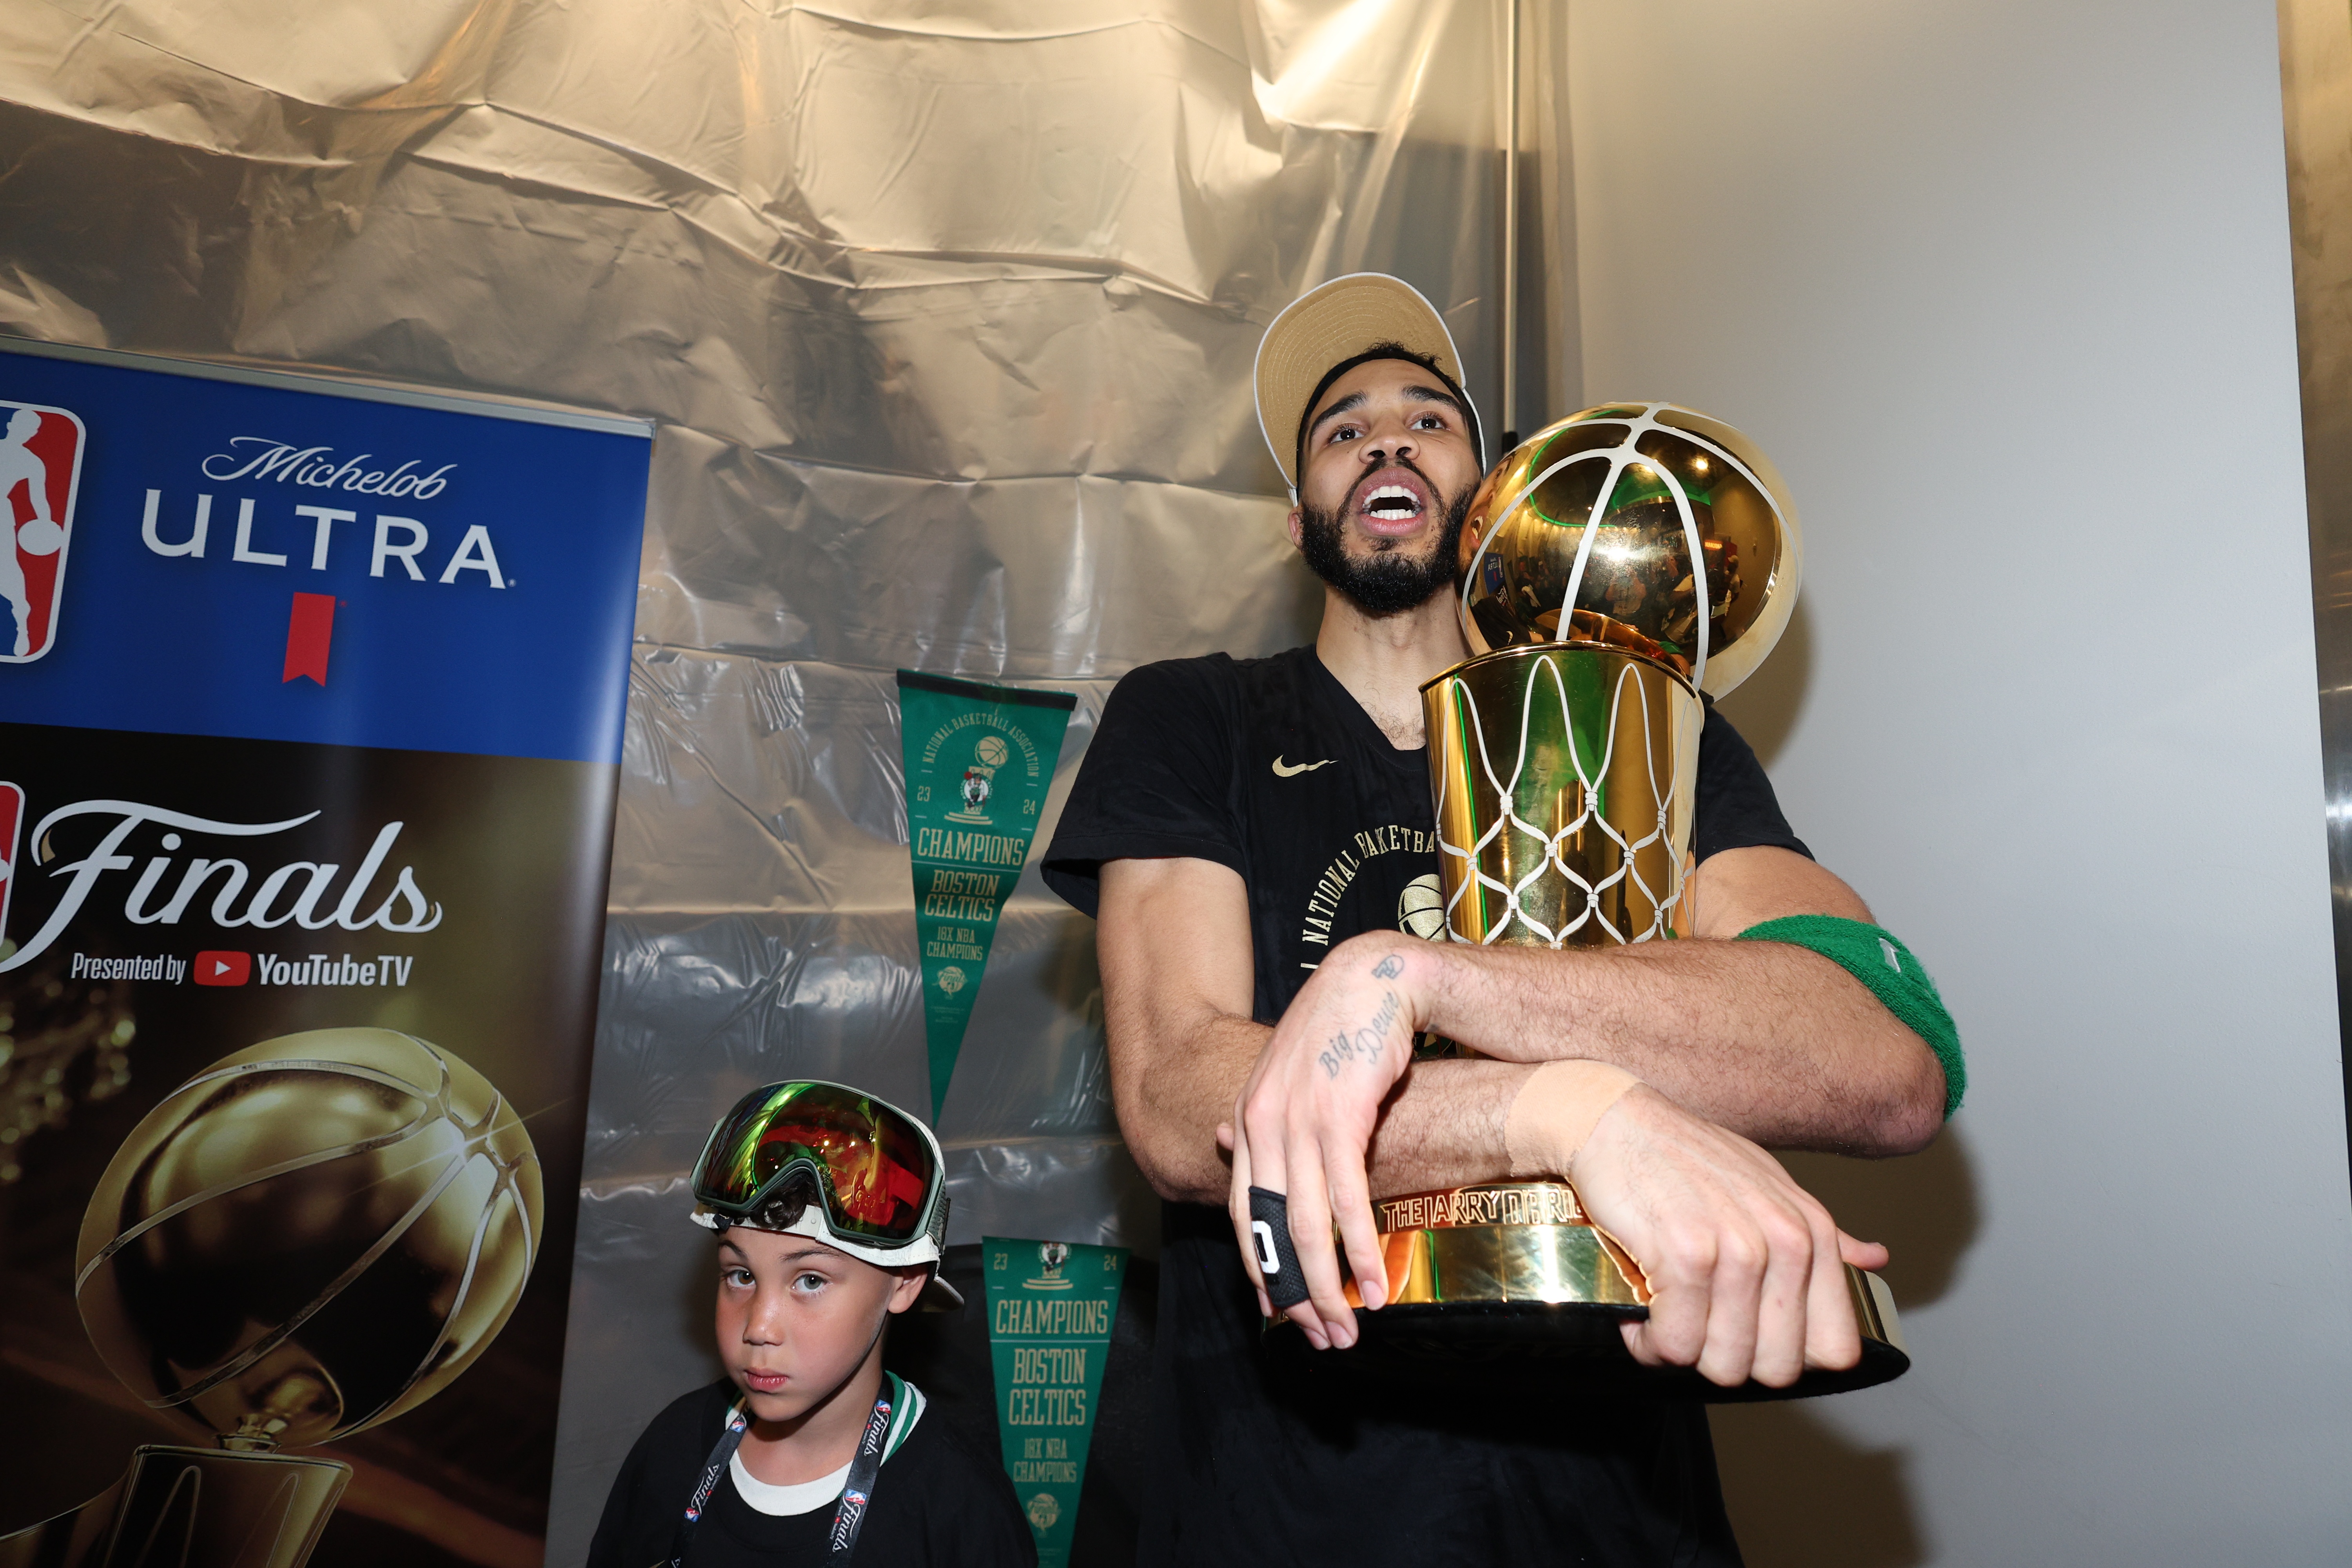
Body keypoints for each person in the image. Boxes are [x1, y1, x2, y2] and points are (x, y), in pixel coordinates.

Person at [1039, 273, 1962, 1564]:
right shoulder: (1197, 716)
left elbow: (1881, 1053)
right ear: (1295, 518)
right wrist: (1567, 1111)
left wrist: (1421, 980)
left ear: (1493, 498)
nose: (1386, 441)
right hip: (1291, 1511)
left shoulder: (1651, 722)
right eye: (1343, 430)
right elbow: (1181, 1094)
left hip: (1620, 1519)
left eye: (1430, 419)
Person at [587, 1080, 1034, 1567]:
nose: (759, 1327)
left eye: (811, 1280)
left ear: (904, 1283)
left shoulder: (960, 1512)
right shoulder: (671, 1448)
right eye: (741, 1275)